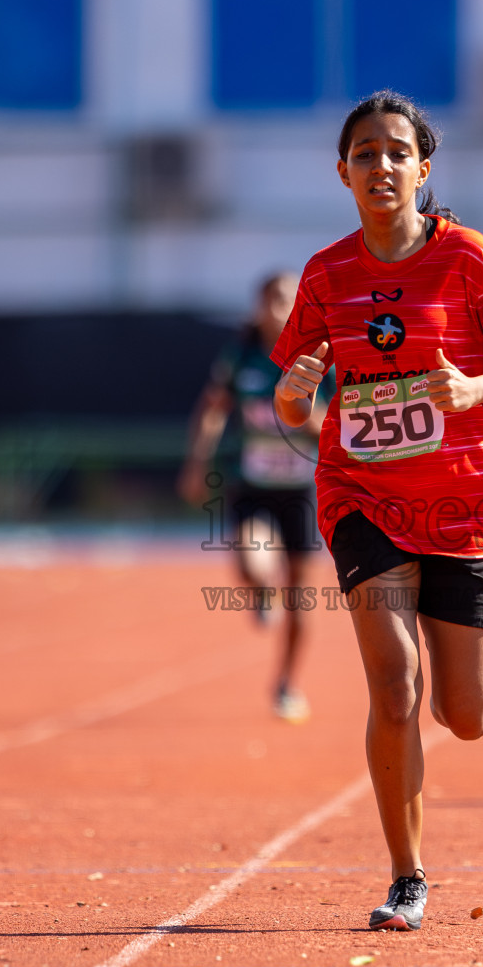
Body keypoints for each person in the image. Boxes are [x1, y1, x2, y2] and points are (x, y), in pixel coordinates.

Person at [270, 90, 483, 931]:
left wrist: (474, 386)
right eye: (365, 154)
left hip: (463, 501)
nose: (381, 166)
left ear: (423, 169)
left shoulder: (468, 259)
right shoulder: (326, 275)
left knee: (466, 717)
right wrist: (293, 397)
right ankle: (407, 875)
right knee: (391, 684)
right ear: (343, 173)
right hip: (362, 497)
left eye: (397, 153)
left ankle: (455, 687)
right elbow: (294, 405)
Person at [180, 272, 323, 723]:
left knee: (301, 595)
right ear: (259, 305)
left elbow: (339, 422)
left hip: (302, 487)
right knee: (248, 560)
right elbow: (213, 409)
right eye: (272, 300)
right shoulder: (241, 354)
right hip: (254, 484)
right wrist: (197, 461)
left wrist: (297, 411)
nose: (279, 309)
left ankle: (286, 683)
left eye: (288, 300)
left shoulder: (319, 354)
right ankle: (264, 593)